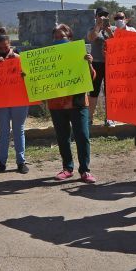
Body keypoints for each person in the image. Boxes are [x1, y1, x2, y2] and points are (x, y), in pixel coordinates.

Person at [46, 24, 97, 183]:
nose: (59, 39)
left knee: (82, 136)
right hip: (57, 104)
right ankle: (67, 168)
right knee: (62, 137)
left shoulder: (79, 54)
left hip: (78, 102)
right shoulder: (48, 58)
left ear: (70, 38)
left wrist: (88, 63)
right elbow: (41, 80)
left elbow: (91, 77)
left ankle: (85, 170)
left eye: (62, 37)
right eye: (56, 37)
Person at [0, 29, 29, 174]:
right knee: (3, 132)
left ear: (10, 44)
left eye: (6, 47)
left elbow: (30, 76)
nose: (4, 50)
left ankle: (21, 162)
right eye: (0, 48)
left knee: (19, 130)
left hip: (19, 100)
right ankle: (2, 162)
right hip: (0, 101)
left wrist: (23, 72)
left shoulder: (20, 57)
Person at [86, 10, 113, 125]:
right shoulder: (93, 29)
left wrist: (108, 30)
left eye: (106, 15)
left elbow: (117, 41)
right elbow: (91, 38)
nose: (103, 17)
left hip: (110, 64)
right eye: (101, 15)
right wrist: (98, 26)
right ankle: (89, 118)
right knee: (94, 92)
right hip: (96, 63)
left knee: (110, 92)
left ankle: (110, 118)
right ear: (96, 16)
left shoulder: (112, 29)